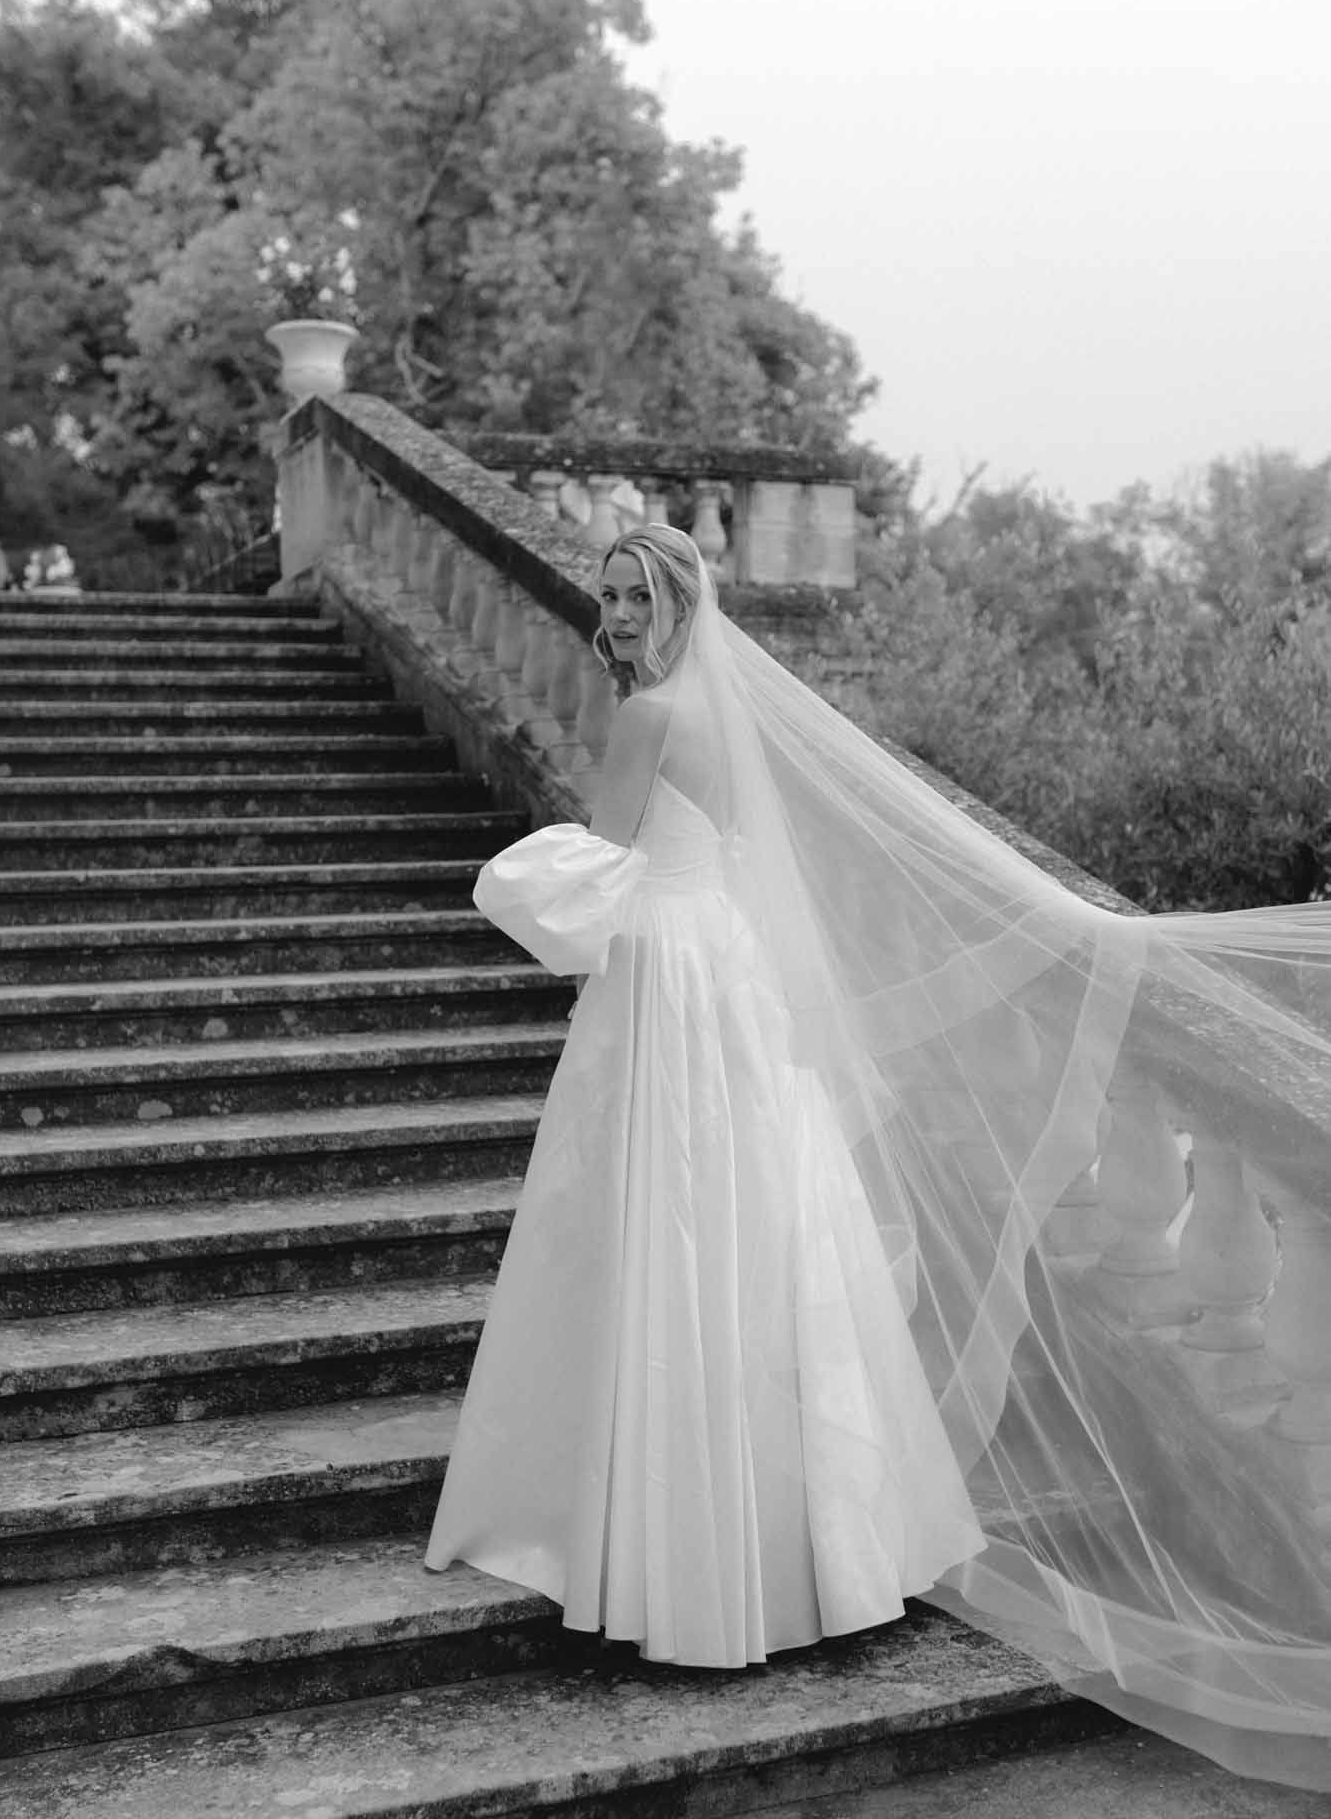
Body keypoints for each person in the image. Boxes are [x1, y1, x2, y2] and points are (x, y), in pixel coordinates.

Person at [426, 525, 1331, 1788]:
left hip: (675, 984)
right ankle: (820, 1545)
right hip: (729, 975)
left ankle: (697, 1553)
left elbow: (603, 873)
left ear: (683, 600)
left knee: (682, 1226)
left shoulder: (648, 721)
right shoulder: (729, 715)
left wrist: (508, 882)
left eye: (639, 595)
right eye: (611, 594)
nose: (618, 615)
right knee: (759, 1231)